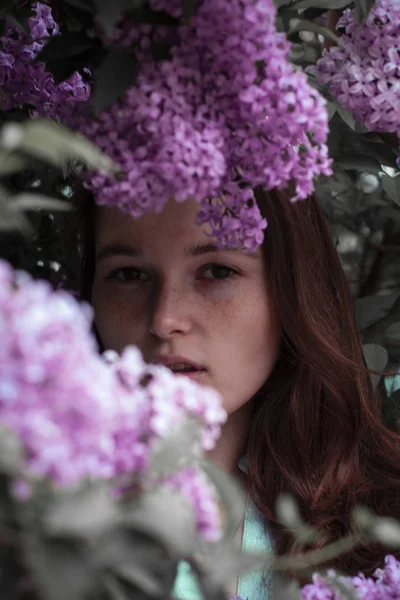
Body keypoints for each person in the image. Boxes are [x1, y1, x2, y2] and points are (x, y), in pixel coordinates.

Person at [74, 184, 400, 598]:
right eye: (128, 274)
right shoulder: (29, 504)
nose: (164, 318)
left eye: (217, 270)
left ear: (292, 288)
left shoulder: (384, 513)